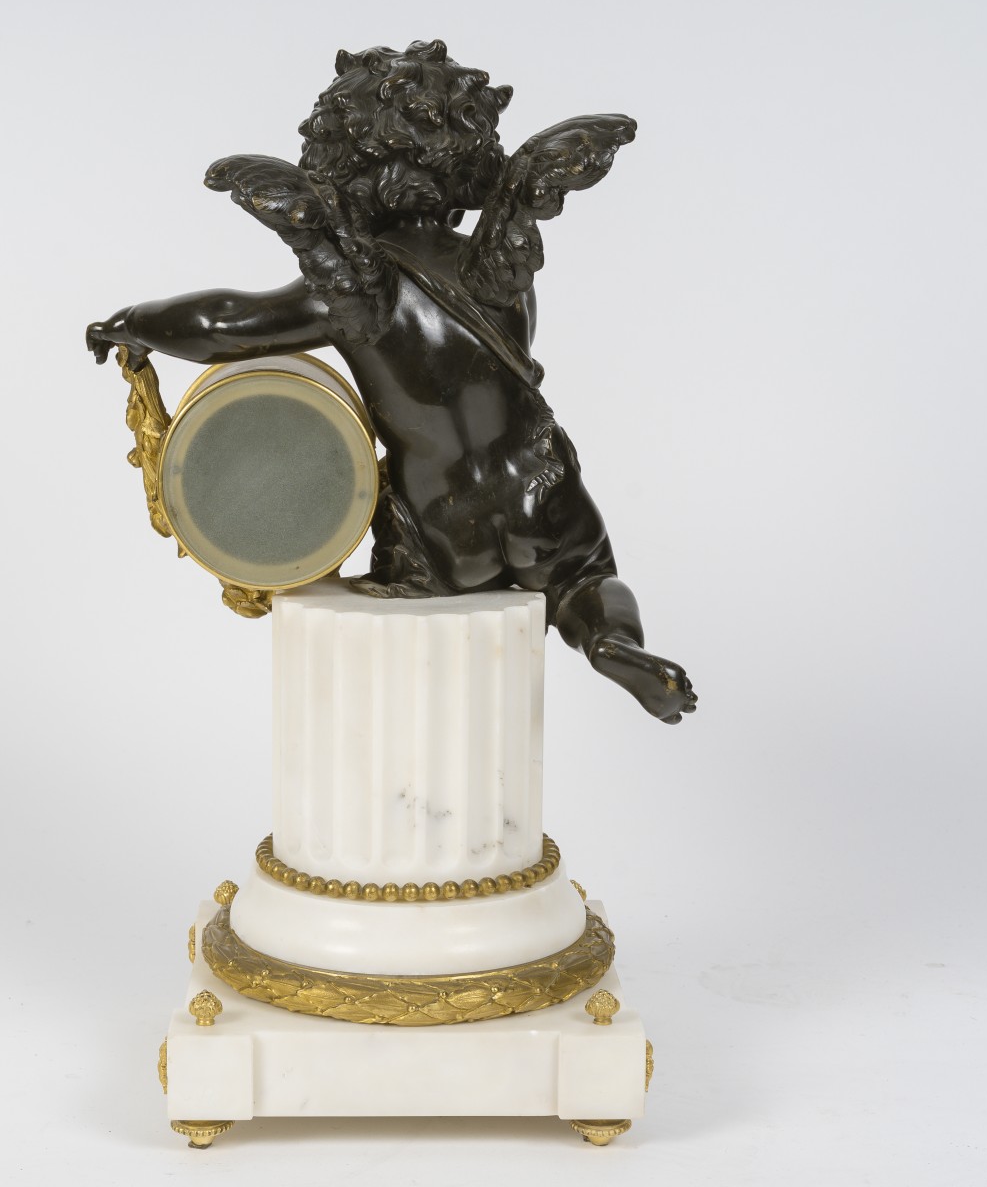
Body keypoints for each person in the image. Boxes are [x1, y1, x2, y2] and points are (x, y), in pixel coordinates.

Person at [87, 40, 696, 723]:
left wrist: (132, 323)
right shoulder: (501, 271)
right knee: (588, 577)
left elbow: (229, 324)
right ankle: (611, 640)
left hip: (442, 528)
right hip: (540, 486)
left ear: (343, 161)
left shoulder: (360, 291)